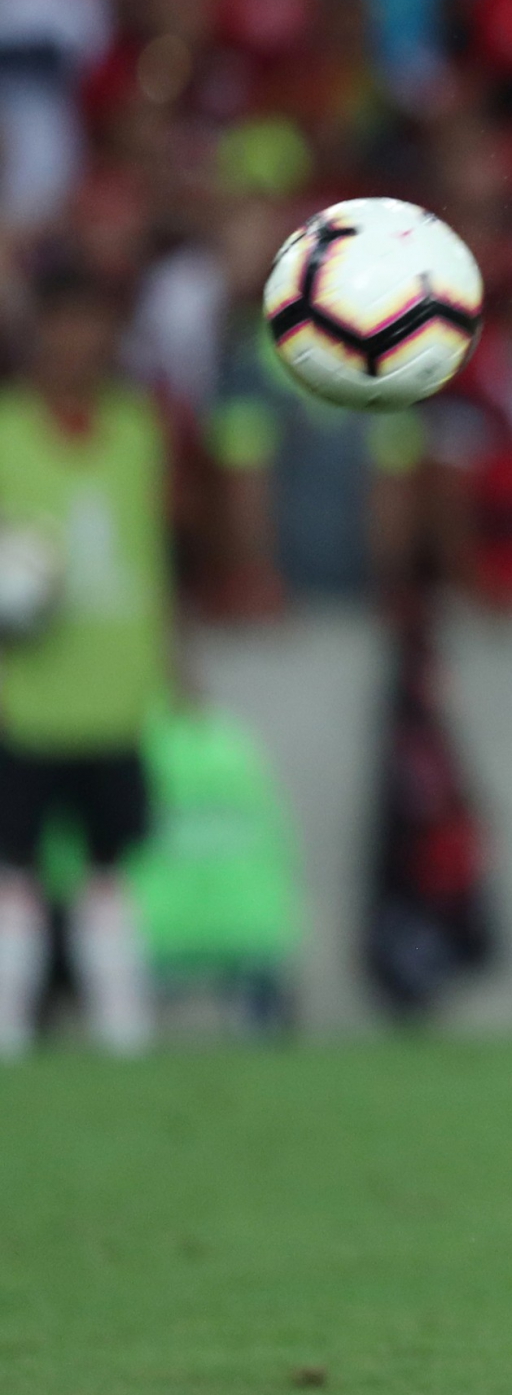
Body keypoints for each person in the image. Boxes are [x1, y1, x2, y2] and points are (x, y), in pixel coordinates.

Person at [0, 276, 172, 1060]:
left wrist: (177, 657)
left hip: (117, 691)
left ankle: (121, 1032)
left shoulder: (138, 430)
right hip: (22, 696)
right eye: (64, 325)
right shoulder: (6, 433)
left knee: (114, 868)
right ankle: (10, 1028)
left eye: (93, 326)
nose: (78, 344)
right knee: (14, 871)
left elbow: (156, 552)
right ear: (40, 338)